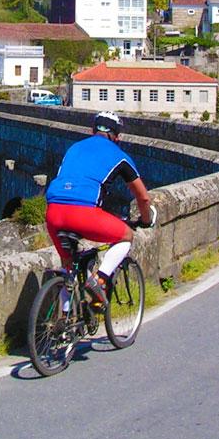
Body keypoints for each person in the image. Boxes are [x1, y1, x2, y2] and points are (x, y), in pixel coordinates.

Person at [45, 111, 154, 308]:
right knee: (126, 235)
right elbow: (143, 197)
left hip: (53, 212)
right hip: (83, 214)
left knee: (68, 267)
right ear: (117, 137)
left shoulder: (74, 148)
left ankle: (63, 327)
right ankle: (100, 279)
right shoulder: (119, 156)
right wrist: (146, 220)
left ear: (92, 130)